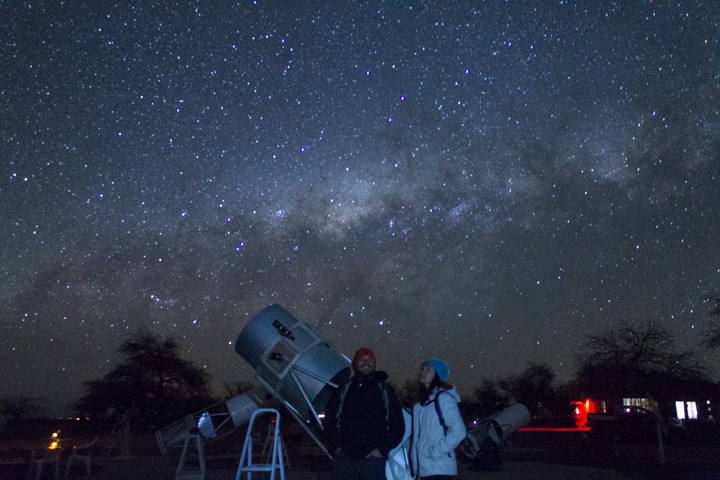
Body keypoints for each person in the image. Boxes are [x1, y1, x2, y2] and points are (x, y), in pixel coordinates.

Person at [323, 347, 405, 480]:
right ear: (355, 364)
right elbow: (329, 421)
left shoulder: (385, 391)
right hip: (345, 460)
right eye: (362, 359)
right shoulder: (344, 389)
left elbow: (398, 425)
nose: (366, 362)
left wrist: (381, 450)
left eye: (370, 359)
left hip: (373, 462)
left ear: (374, 364)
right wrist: (336, 448)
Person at [411, 358, 466, 479]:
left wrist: (435, 452)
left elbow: (459, 432)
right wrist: (415, 467)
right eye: (422, 369)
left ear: (437, 374)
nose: (423, 372)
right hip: (424, 470)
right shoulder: (419, 405)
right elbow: (417, 438)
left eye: (428, 369)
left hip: (440, 470)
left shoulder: (443, 399)